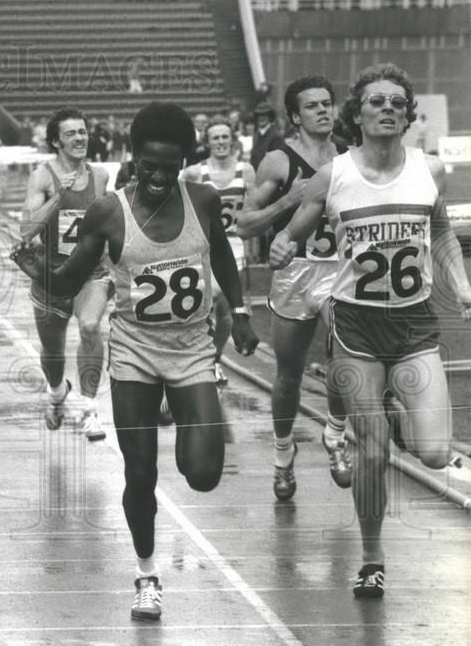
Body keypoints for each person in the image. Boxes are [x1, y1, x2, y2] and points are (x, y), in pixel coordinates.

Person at [12, 104, 258, 620]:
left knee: (204, 473)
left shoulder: (204, 201)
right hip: (134, 353)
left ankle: (189, 430)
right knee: (140, 471)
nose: (158, 177)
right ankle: (147, 575)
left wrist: (239, 310)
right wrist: (39, 270)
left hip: (191, 349)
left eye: (169, 168)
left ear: (184, 163)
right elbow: (72, 276)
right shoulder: (110, 211)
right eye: (149, 166)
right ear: (134, 159)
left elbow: (223, 256)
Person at [269, 63, 471, 597]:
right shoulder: (334, 174)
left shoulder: (429, 171)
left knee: (431, 453)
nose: (388, 109)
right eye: (377, 101)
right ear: (355, 114)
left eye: (398, 103)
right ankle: (372, 557)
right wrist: (282, 244)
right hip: (355, 326)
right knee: (374, 453)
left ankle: (398, 413)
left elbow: (443, 232)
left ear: (407, 117)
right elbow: (293, 233)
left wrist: (463, 284)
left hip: (414, 324)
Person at [236, 75, 353, 500]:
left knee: (347, 357)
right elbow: (244, 223)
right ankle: (283, 456)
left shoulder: (349, 154)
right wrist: (289, 201)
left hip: (341, 269)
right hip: (295, 273)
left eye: (328, 103)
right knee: (289, 375)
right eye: (312, 106)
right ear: (294, 116)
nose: (323, 110)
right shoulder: (279, 161)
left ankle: (336, 435)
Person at [19, 107, 111, 441]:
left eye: (83, 132)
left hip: (90, 273)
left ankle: (89, 410)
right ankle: (57, 393)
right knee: (53, 352)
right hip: (52, 275)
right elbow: (26, 230)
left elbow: (107, 224)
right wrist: (59, 196)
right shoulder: (42, 176)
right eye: (71, 133)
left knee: (90, 327)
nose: (79, 138)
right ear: (56, 141)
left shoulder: (100, 176)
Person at [182, 120, 256, 386]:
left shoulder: (245, 170)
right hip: (203, 244)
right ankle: (198, 358)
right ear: (207, 142)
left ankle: (215, 358)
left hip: (233, 244)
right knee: (206, 302)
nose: (221, 142)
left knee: (225, 308)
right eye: (216, 138)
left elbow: (254, 208)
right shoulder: (194, 172)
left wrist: (251, 241)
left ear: (232, 139)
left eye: (225, 136)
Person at [250, 102, 282, 170]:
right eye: (259, 115)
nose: (261, 118)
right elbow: (253, 158)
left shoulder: (276, 136)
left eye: (265, 115)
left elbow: (278, 163)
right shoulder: (256, 135)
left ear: (270, 117)